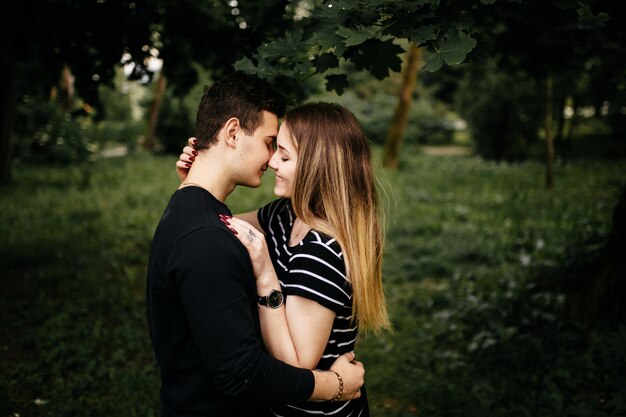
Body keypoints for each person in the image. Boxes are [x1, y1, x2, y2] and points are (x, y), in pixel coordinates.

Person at [146, 72, 365, 417]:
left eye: (282, 152)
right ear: (232, 133)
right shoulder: (207, 239)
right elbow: (243, 373)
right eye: (269, 143)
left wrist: (192, 185)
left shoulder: (192, 213)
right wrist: (335, 386)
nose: (271, 160)